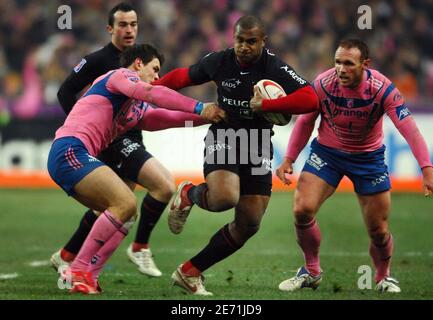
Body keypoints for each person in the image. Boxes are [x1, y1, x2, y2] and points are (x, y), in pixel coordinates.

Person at [153, 15, 319, 296]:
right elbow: (182, 77)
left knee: (249, 222)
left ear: (263, 42)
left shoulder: (274, 66)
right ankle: (189, 194)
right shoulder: (219, 61)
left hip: (258, 143)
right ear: (234, 39)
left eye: (251, 41)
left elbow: (310, 98)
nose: (244, 46)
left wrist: (268, 104)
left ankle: (190, 272)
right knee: (224, 198)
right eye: (240, 40)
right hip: (225, 134)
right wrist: (148, 90)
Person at [48, 43, 224, 294]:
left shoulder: (133, 107)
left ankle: (88, 275)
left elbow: (166, 118)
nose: (157, 77)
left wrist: (208, 115)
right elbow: (153, 94)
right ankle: (77, 269)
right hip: (69, 150)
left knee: (126, 211)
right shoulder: (120, 76)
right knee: (125, 203)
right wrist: (199, 106)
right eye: (154, 69)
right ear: (138, 63)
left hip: (76, 154)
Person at [276, 38, 433, 293]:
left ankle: (384, 277)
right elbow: (305, 121)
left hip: (368, 159)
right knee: (302, 209)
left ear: (364, 64)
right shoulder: (323, 84)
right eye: (337, 62)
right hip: (327, 154)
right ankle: (311, 271)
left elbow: (409, 128)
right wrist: (288, 159)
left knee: (378, 231)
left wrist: (427, 168)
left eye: (348, 63)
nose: (341, 69)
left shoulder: (383, 89)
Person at [52, 3, 176, 277]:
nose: (129, 30)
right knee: (163, 186)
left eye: (133, 24)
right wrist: (86, 128)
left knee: (114, 206)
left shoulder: (144, 61)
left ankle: (67, 256)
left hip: (134, 134)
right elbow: (65, 92)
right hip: (112, 141)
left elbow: (153, 106)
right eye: (122, 24)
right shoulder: (97, 61)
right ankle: (139, 247)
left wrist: (195, 116)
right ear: (110, 28)